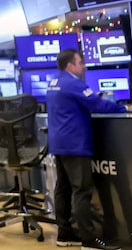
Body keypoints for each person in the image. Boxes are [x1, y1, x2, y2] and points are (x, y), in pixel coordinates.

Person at [46, 49, 124, 250]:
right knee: (82, 191)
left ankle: (65, 234)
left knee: (62, 189)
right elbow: (97, 104)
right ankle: (89, 240)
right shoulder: (73, 83)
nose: (84, 67)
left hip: (59, 143)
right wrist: (123, 109)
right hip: (74, 143)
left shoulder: (54, 82)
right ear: (70, 65)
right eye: (80, 62)